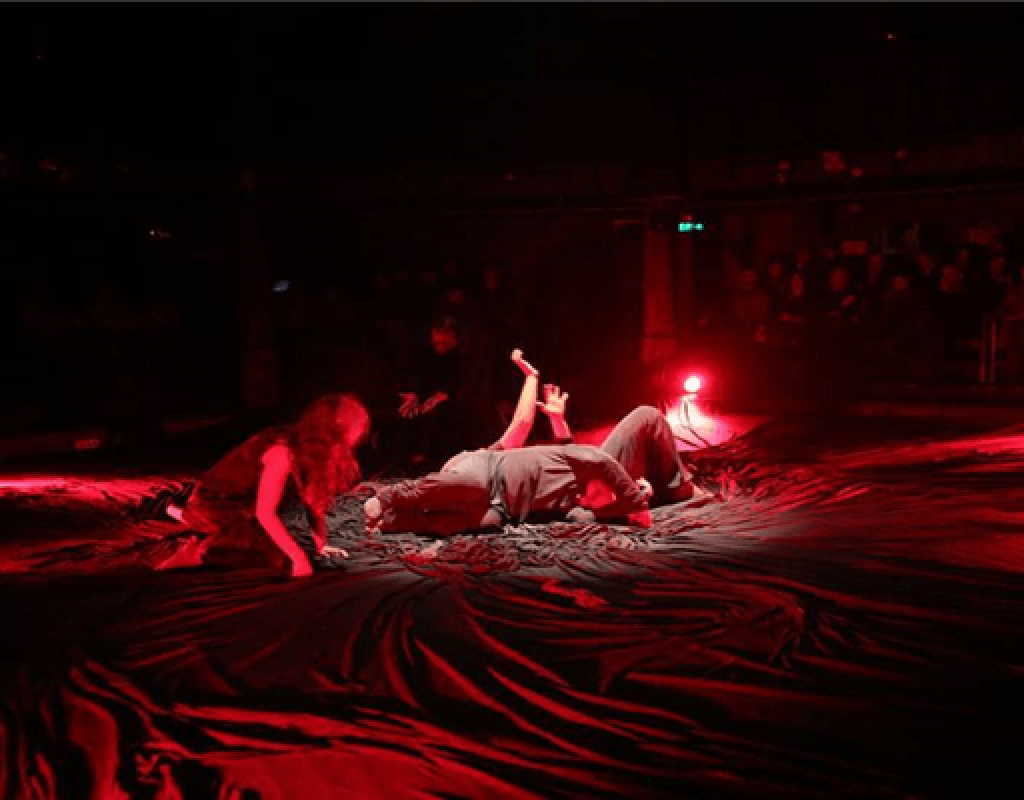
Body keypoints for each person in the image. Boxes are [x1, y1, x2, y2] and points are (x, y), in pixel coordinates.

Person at [363, 350, 695, 536]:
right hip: (491, 482)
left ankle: (394, 520)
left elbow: (567, 454)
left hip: (510, 505)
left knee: (482, 521)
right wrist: (635, 501)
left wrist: (544, 399)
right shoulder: (484, 462)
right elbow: (527, 429)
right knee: (469, 494)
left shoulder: (580, 495)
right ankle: (391, 500)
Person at [160, 394, 371, 578]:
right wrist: (298, 558)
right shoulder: (282, 451)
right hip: (219, 503)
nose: (360, 431)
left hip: (254, 501)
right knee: (273, 555)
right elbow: (265, 513)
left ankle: (184, 514)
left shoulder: (320, 455)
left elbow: (313, 504)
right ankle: (197, 542)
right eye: (355, 425)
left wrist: (321, 545)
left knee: (293, 537)